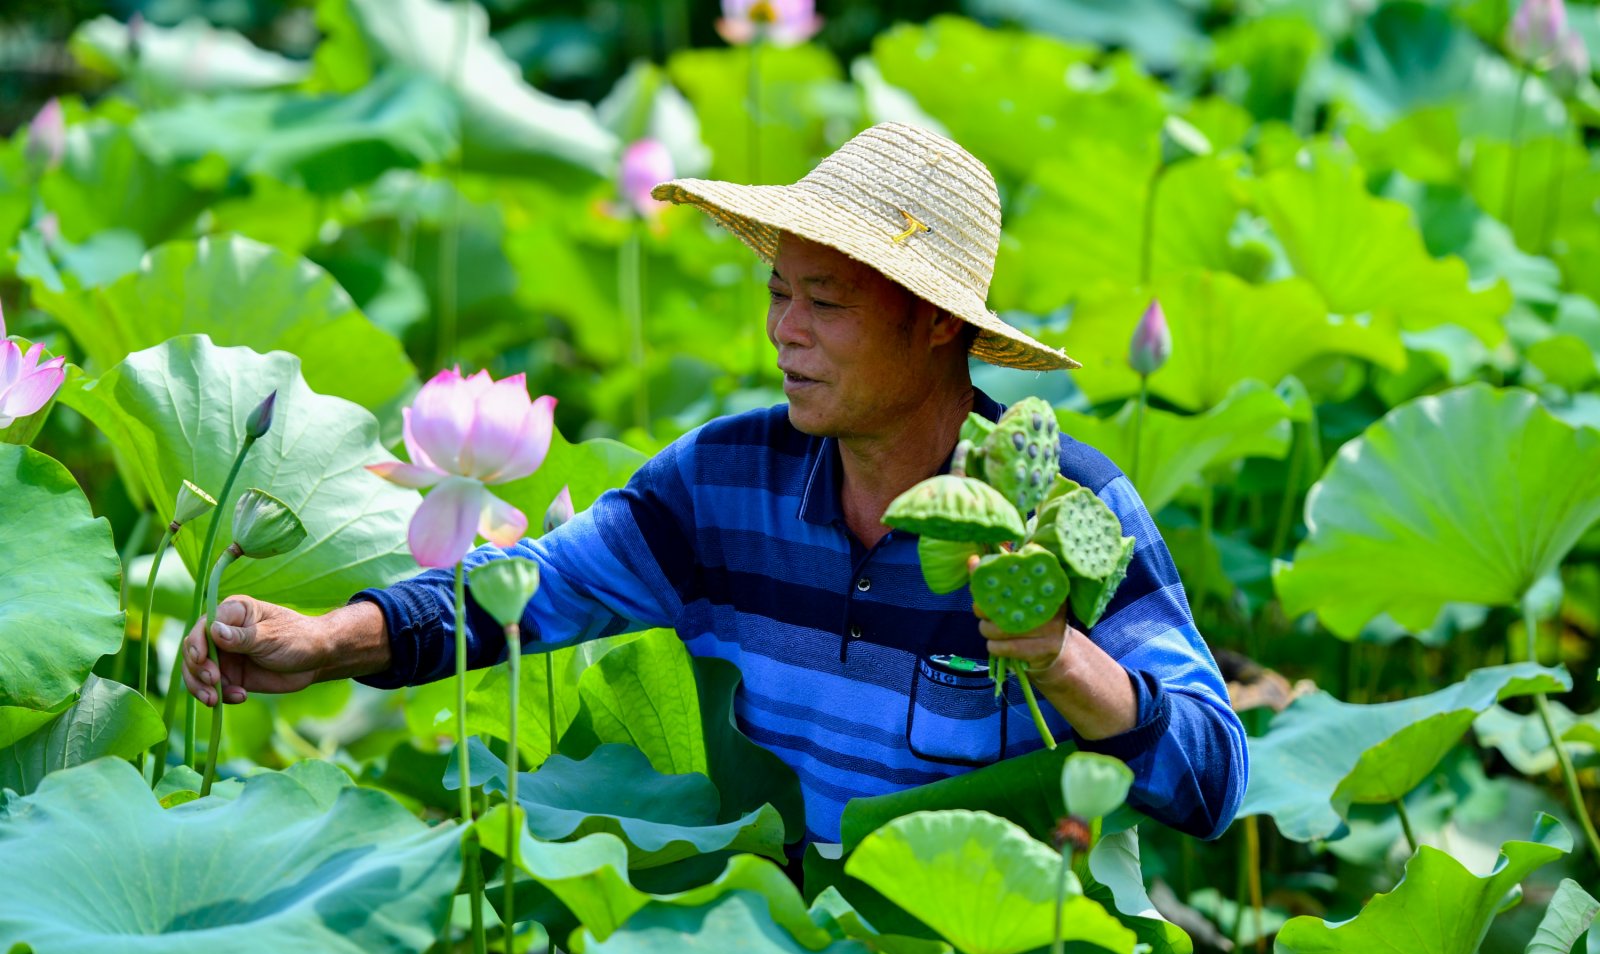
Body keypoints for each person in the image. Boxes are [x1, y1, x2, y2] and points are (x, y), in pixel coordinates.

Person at [182, 122, 1246, 846]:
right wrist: (325, 640)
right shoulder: (724, 481)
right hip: (763, 952)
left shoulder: (1063, 507)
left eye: (825, 304)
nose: (784, 332)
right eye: (778, 293)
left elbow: (1215, 780)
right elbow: (532, 589)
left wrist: (1061, 657)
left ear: (934, 323)